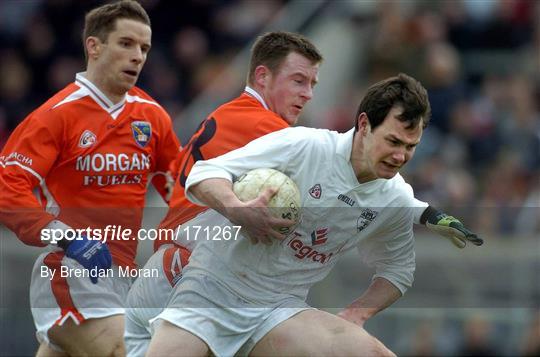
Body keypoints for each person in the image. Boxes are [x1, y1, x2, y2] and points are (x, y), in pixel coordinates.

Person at [125, 32, 482, 356]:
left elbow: (399, 266)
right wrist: (237, 209)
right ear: (363, 125)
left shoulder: (392, 194)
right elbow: (204, 175)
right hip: (198, 277)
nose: (401, 156)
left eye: (411, 146)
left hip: (275, 306)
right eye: (299, 81)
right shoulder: (288, 137)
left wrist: (355, 315)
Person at [0, 1, 180, 356]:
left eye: (144, 48)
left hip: (124, 277)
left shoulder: (153, 116)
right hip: (70, 270)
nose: (138, 56)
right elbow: (8, 187)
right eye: (126, 44)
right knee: (125, 350)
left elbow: (179, 186)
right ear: (93, 46)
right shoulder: (57, 115)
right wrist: (68, 238)